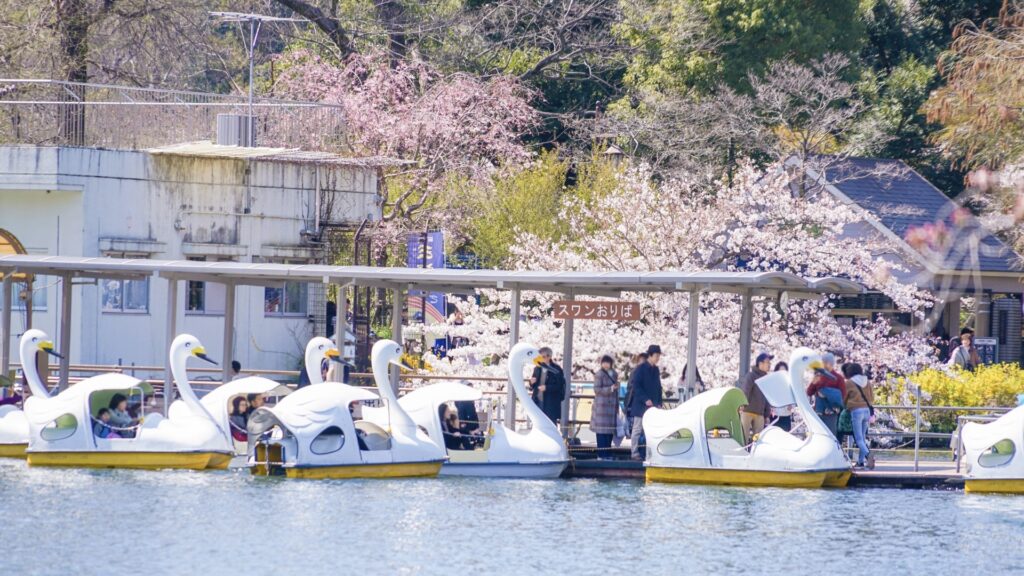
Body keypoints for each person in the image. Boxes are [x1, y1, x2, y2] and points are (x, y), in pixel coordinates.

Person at [628, 345, 663, 461]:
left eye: (658, 356)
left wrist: (659, 402)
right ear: (651, 355)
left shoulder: (656, 370)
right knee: (637, 429)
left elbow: (658, 387)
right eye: (656, 356)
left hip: (652, 405)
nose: (658, 358)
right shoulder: (641, 369)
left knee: (650, 430)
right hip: (640, 404)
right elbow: (636, 386)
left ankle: (649, 453)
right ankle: (634, 452)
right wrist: (645, 399)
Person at [843, 363, 875, 469]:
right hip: (867, 410)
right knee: (863, 438)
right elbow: (872, 398)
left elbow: (844, 398)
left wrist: (845, 406)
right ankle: (860, 462)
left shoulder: (849, 383)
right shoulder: (868, 382)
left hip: (856, 411)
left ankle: (868, 455)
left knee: (858, 439)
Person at [806, 352, 846, 437]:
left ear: (829, 363)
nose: (822, 365)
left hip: (831, 413)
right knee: (818, 435)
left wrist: (827, 394)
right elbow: (809, 392)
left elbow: (843, 396)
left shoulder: (839, 378)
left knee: (830, 436)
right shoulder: (818, 375)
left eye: (823, 362)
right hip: (818, 412)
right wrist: (813, 382)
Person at [738, 353, 773, 441]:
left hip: (759, 414)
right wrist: (742, 405)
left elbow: (767, 397)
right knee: (744, 438)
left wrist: (767, 415)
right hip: (747, 411)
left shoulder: (767, 379)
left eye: (769, 363)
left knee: (758, 440)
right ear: (760, 363)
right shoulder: (751, 375)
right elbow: (745, 390)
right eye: (767, 362)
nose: (769, 365)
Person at [530, 347, 566, 425]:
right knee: (537, 424)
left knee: (550, 424)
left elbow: (559, 385)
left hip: (550, 402)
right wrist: (532, 382)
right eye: (539, 357)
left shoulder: (556, 369)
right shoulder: (537, 368)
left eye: (543, 357)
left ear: (549, 357)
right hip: (538, 401)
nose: (541, 359)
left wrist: (546, 388)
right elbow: (533, 385)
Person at [591, 355, 618, 459]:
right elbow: (597, 390)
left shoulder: (614, 374)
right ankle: (601, 454)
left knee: (609, 432)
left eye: (608, 362)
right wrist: (610, 388)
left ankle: (607, 453)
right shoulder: (599, 374)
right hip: (601, 407)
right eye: (604, 362)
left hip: (611, 408)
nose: (606, 365)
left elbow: (615, 391)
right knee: (602, 432)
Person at [455, 381, 484, 448]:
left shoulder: (469, 402)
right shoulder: (462, 404)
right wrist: (471, 432)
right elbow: (462, 424)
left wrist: (477, 429)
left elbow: (474, 418)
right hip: (469, 434)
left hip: (474, 430)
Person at [771, 361, 794, 431]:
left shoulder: (790, 384)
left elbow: (794, 399)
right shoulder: (772, 383)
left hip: (786, 416)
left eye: (784, 371)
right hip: (774, 416)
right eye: (780, 371)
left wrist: (791, 406)